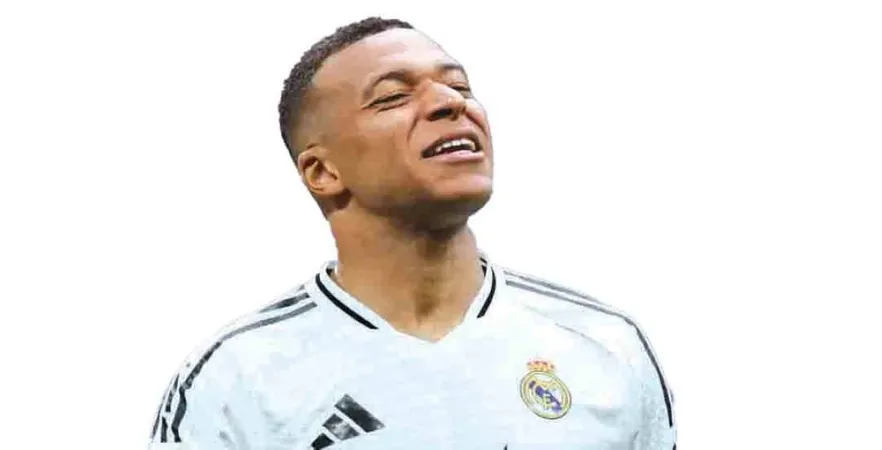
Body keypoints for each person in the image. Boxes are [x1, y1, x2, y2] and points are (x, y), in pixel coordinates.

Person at [148, 16, 677, 450]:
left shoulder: (606, 347)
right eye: (392, 97)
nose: (451, 103)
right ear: (322, 172)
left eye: (460, 86)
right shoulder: (237, 380)